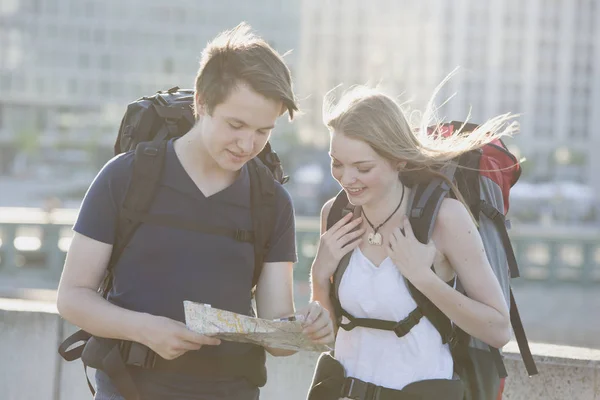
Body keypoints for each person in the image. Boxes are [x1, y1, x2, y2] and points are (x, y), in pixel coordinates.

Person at [56, 23, 334, 400]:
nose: (247, 144)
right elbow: (72, 297)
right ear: (201, 103)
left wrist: (304, 327)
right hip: (129, 388)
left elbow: (277, 332)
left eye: (263, 131)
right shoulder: (126, 177)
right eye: (235, 125)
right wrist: (145, 329)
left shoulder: (272, 201)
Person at [309, 85, 516, 399]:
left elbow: (499, 330)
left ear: (398, 161)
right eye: (337, 163)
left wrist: (422, 277)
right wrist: (319, 277)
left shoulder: (444, 219)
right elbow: (327, 336)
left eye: (362, 168)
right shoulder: (335, 215)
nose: (346, 179)